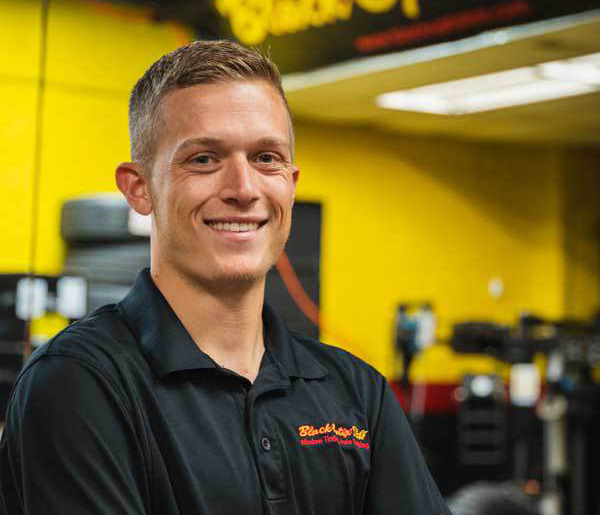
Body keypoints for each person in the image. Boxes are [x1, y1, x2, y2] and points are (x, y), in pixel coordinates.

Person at [0, 41, 451, 515]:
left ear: (291, 184)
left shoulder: (358, 392)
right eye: (204, 159)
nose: (243, 189)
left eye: (266, 158)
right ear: (139, 188)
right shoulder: (79, 384)